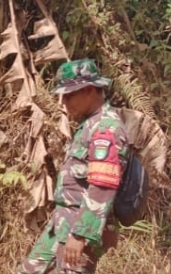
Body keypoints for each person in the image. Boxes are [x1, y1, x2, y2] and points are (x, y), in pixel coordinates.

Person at [17, 59, 127, 274]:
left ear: (88, 90)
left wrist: (81, 235)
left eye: (68, 95)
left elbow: (102, 186)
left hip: (79, 230)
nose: (63, 102)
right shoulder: (90, 125)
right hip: (62, 226)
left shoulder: (106, 128)